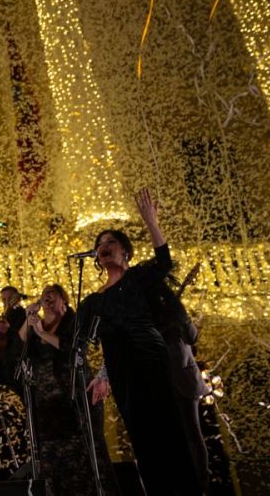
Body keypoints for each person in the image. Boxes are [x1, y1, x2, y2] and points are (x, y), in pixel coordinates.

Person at [78, 188, 207, 495]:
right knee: (144, 443)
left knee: (172, 438)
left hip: (156, 367)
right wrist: (101, 376)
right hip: (125, 378)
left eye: (110, 241)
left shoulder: (138, 278)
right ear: (96, 258)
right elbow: (99, 342)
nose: (103, 246)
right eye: (99, 245)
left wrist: (151, 222)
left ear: (125, 251)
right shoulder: (93, 302)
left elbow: (164, 263)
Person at [8, 285, 118, 495]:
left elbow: (73, 349)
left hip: (74, 398)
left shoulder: (73, 322)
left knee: (82, 453)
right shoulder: (35, 323)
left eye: (53, 293)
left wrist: (42, 332)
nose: (46, 295)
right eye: (44, 293)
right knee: (52, 456)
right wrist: (28, 319)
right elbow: (17, 350)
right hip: (46, 403)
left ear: (64, 302)